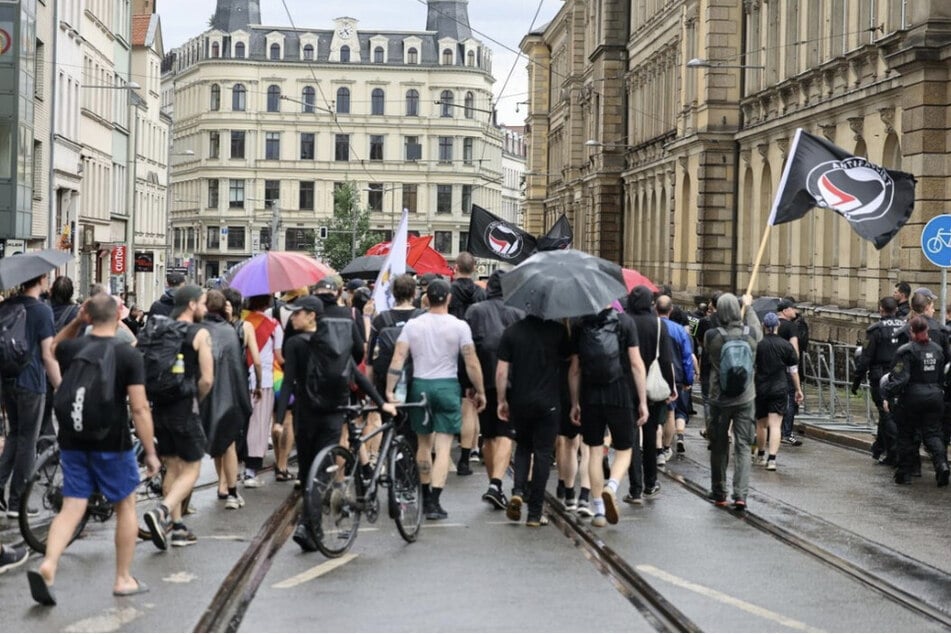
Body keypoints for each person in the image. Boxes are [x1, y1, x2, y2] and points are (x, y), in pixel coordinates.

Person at [29, 294, 161, 605]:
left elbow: (51, 348)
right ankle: (123, 578)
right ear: (118, 316)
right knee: (125, 506)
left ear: (88, 315)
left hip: (73, 440)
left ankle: (49, 564)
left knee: (73, 507)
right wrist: (151, 451)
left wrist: (76, 321)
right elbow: (140, 409)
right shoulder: (128, 355)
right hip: (111, 443)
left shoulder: (75, 347)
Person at [272, 296, 396, 551]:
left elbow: (289, 382)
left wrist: (279, 418)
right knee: (316, 471)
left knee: (311, 471)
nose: (292, 317)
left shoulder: (295, 344)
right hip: (331, 413)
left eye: (297, 313)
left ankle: (309, 526)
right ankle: (311, 526)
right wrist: (380, 401)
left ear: (311, 316)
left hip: (305, 414)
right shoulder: (334, 341)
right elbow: (357, 373)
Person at [386, 279, 487, 520]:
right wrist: (480, 389)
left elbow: (398, 357)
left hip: (420, 384)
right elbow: (471, 360)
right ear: (449, 299)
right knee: (443, 447)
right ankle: (434, 501)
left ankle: (423, 490)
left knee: (423, 444)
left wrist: (390, 390)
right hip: (447, 386)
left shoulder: (412, 325)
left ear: (426, 298)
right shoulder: (459, 326)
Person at [142, 285, 214, 550]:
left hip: (159, 406)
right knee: (193, 468)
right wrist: (197, 399)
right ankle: (162, 511)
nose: (205, 308)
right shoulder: (199, 333)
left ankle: (177, 526)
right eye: (203, 303)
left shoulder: (160, 329)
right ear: (192, 305)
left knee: (171, 466)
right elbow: (207, 378)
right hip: (184, 406)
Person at [568, 305, 649, 527]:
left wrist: (574, 402)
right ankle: (611, 487)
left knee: (594, 452)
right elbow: (636, 364)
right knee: (625, 450)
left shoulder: (579, 324)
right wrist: (642, 401)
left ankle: (599, 511)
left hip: (590, 396)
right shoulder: (625, 322)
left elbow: (575, 369)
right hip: (621, 393)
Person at [496, 312, 571, 526]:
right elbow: (569, 361)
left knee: (522, 448)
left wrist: (502, 400)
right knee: (543, 454)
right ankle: (535, 513)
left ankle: (518, 490)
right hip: (549, 402)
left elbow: (502, 371)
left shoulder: (512, 331)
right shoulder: (557, 332)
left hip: (520, 400)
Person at [0, 274, 62, 517]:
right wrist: (60, 385)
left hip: (8, 380)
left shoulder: (6, 306)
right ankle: (18, 502)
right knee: (28, 439)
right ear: (42, 280)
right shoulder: (42, 312)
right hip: (32, 381)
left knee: (15, 435)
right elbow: (48, 355)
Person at [465, 270, 524, 509]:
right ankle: (496, 484)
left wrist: (468, 383)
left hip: (483, 380)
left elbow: (467, 350)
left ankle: (494, 484)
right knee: (506, 434)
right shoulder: (518, 313)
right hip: (512, 382)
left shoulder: (474, 312)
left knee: (488, 436)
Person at [704, 292, 762, 509]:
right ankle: (741, 495)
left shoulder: (712, 336)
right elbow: (760, 333)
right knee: (743, 446)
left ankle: (719, 491)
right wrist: (750, 307)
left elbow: (708, 353)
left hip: (719, 399)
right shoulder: (751, 334)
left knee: (719, 446)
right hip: (746, 397)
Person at [201, 290, 254, 511]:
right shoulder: (230, 332)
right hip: (228, 396)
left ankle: (222, 486)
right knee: (229, 444)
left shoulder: (199, 330)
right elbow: (237, 368)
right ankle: (231, 490)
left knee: (215, 444)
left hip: (205, 395)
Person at [882, 316, 950, 487]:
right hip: (935, 396)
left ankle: (905, 473)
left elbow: (900, 378)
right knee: (933, 433)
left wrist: (887, 394)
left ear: (911, 331)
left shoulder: (906, 351)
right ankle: (942, 465)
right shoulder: (937, 350)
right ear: (926, 330)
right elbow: (942, 377)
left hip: (912, 398)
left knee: (907, 434)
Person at [625, 287, 676, 502]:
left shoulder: (624, 322)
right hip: (652, 388)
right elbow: (665, 359)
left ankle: (634, 488)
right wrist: (670, 386)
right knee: (650, 433)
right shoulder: (657, 324)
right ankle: (650, 482)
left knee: (632, 438)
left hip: (627, 386)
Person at [852, 297, 903, 465]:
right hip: (900, 374)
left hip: (880, 376)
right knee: (889, 413)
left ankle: (894, 452)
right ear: (896, 309)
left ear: (881, 309)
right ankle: (880, 448)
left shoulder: (874, 330)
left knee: (885, 413)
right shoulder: (905, 327)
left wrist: (856, 380)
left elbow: (865, 357)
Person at [449, 252, 487, 473]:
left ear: (455, 267)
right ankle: (470, 452)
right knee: (471, 405)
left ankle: (449, 454)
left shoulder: (450, 292)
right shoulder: (480, 294)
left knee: (457, 405)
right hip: (473, 350)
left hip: (451, 352)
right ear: (474, 268)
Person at [754, 313, 803, 471]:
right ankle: (772, 459)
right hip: (779, 387)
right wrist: (798, 389)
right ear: (777, 326)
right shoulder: (786, 346)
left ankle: (761, 454)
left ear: (764, 326)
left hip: (760, 387)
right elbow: (793, 371)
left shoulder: (757, 344)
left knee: (761, 424)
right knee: (776, 425)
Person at [243, 295, 284, 484]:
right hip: (265, 378)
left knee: (245, 421)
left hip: (242, 378)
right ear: (268, 303)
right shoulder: (273, 324)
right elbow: (279, 354)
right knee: (260, 424)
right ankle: (251, 469)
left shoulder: (243, 321)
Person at [657, 295, 697, 456]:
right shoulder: (679, 330)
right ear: (670, 310)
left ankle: (658, 448)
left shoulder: (653, 326)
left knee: (656, 415)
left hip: (654, 376)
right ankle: (666, 447)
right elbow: (687, 357)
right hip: (677, 377)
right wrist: (688, 379)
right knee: (671, 412)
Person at [776, 298, 803, 446]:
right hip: (787, 368)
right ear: (785, 310)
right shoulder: (791, 327)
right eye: (793, 308)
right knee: (790, 399)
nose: (795, 311)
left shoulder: (770, 324)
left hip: (772, 368)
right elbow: (794, 349)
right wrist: (796, 364)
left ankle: (773, 430)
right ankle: (787, 433)